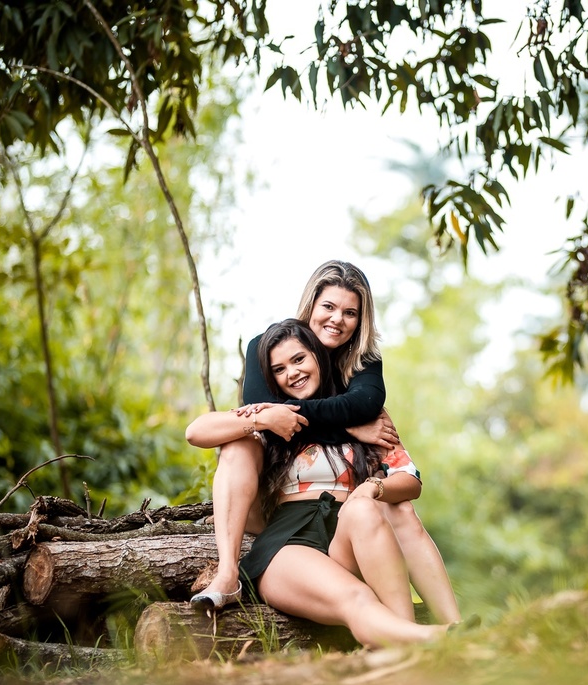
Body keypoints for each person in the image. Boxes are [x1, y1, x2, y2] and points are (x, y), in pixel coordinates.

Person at [195, 259, 461, 624]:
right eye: (329, 307)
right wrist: (345, 427)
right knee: (241, 442)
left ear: (360, 321)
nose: (338, 319)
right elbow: (267, 419)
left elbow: (368, 411)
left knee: (398, 507)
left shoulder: (361, 371)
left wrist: (372, 483)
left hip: (346, 528)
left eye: (350, 312)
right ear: (311, 307)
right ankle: (228, 572)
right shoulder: (267, 349)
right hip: (281, 515)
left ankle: (454, 627)